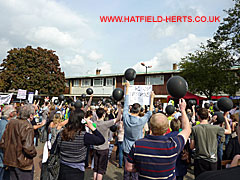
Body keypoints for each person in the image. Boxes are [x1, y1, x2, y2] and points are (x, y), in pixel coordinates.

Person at [125, 98, 191, 180]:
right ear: (167, 128)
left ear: (150, 127)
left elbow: (128, 167)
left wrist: (141, 169)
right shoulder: (173, 144)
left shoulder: (138, 145)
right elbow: (187, 130)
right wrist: (183, 110)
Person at [123, 81, 155, 180]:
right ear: (139, 111)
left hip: (126, 148)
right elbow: (150, 112)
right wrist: (152, 98)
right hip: (137, 148)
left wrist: (127, 88)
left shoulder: (125, 117)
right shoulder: (141, 121)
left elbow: (126, 103)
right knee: (136, 172)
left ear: (131, 109)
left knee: (126, 171)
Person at [190, 108, 231, 178]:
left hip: (199, 159)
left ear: (198, 116)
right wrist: (225, 118)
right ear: (208, 116)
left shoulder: (194, 128)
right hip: (212, 160)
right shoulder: (215, 128)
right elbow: (229, 131)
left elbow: (192, 146)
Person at [0, 104, 37, 180]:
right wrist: (34, 153)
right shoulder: (27, 126)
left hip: (11, 161)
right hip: (23, 164)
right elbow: (28, 148)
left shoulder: (11, 123)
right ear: (30, 115)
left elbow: (3, 143)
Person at [93, 105, 121, 180]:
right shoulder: (106, 123)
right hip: (104, 148)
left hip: (95, 148)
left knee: (95, 168)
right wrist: (119, 108)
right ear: (103, 115)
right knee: (101, 170)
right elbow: (118, 119)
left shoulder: (94, 123)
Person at [0, 105, 16, 180]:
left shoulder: (2, 123)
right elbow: (4, 144)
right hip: (2, 162)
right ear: (11, 114)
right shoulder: (6, 125)